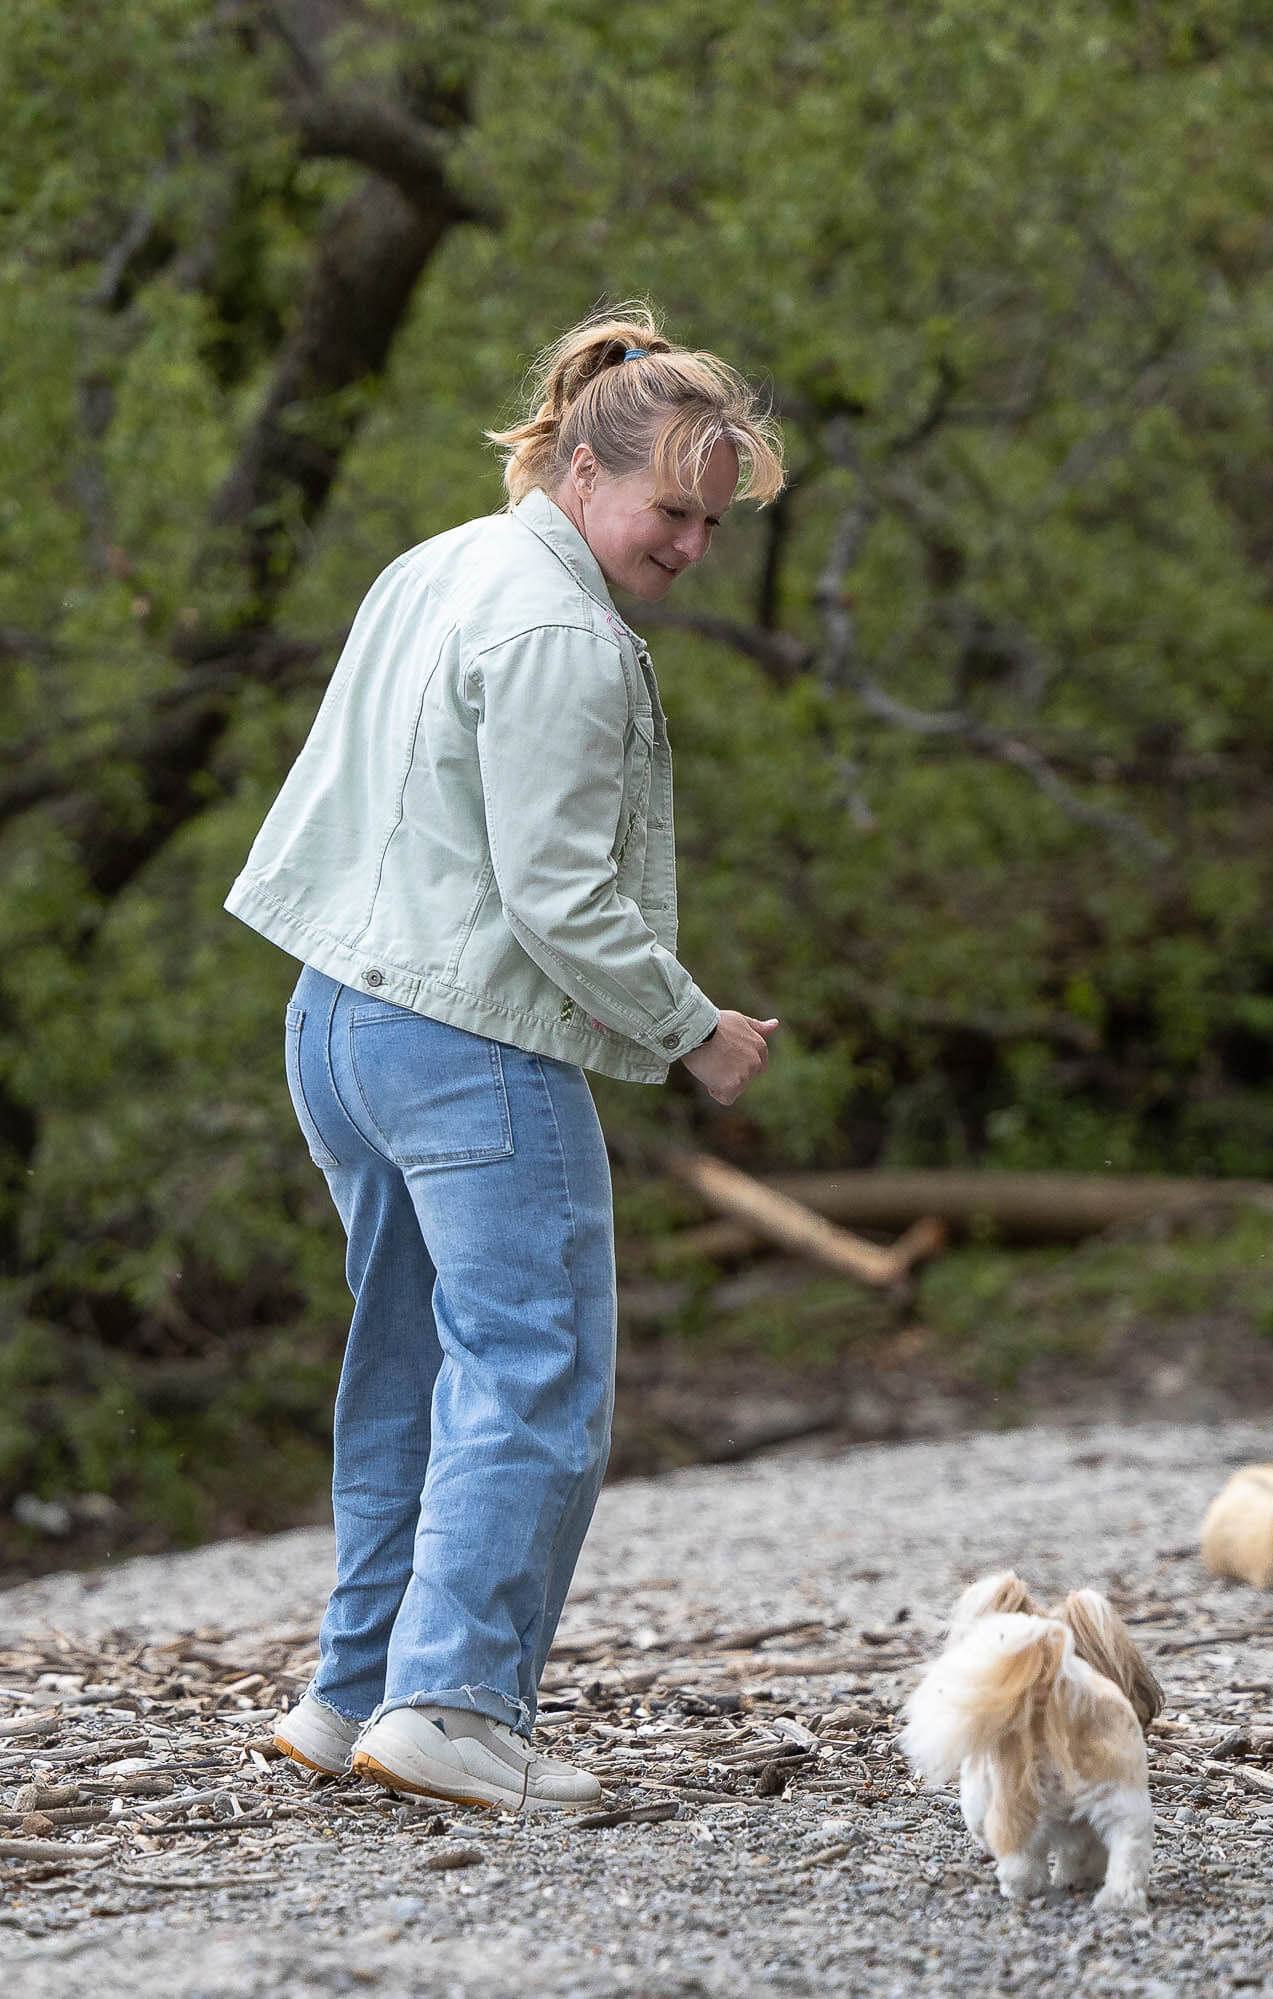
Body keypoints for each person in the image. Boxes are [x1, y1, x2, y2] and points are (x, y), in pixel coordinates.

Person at [224, 306, 785, 1811]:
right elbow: (554, 898)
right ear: (586, 471)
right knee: (535, 1367)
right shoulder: (560, 635)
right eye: (671, 511)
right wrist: (693, 1031)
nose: (687, 546)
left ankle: (352, 1695)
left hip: (335, 1018)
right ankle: (457, 1704)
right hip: (463, 1039)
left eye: (711, 523)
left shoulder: (438, 565)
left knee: (407, 1362)